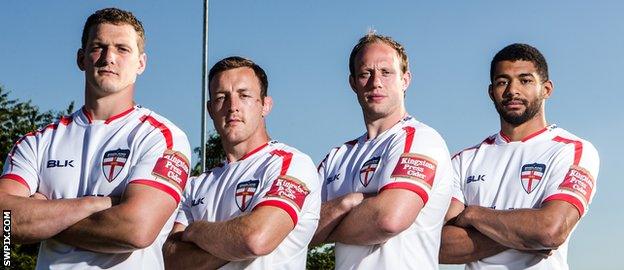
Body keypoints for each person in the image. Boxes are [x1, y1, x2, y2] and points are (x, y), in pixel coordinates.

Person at [0, 7, 191, 269]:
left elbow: (137, 230)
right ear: (81, 58)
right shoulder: (37, 142)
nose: (109, 57)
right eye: (98, 47)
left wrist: (41, 220)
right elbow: (4, 224)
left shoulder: (161, 137)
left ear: (141, 63)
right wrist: (97, 204)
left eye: (122, 49)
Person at [439, 43, 599, 270]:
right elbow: (439, 246)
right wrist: (526, 236)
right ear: (490, 92)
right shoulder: (463, 161)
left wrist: (475, 214)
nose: (512, 90)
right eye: (502, 82)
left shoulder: (572, 150)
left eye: (525, 80)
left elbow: (550, 231)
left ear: (546, 89)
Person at [163, 56, 320, 269]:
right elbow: (171, 260)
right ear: (210, 110)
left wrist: (194, 231)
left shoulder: (290, 164)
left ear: (265, 105)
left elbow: (256, 239)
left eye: (244, 95)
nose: (232, 106)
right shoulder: (195, 185)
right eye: (221, 97)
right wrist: (233, 243)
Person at [312, 32, 453, 269]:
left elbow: (388, 219)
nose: (376, 82)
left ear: (405, 80)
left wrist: (327, 224)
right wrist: (347, 202)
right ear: (353, 82)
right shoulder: (336, 157)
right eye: (365, 73)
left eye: (386, 72)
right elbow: (296, 230)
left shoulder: (419, 138)